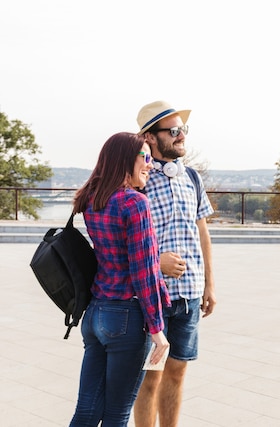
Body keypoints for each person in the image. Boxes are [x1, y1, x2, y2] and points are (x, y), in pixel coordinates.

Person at [70, 132, 170, 426]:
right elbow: (145, 270)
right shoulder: (135, 203)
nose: (151, 165)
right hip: (126, 317)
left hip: (96, 313)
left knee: (87, 410)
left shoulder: (92, 199)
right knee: (117, 413)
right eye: (146, 157)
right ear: (125, 159)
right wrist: (156, 329)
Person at [133, 101, 217, 427]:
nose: (182, 136)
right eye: (174, 130)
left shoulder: (192, 178)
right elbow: (125, 240)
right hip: (151, 295)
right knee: (150, 376)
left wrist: (209, 284)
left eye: (183, 129)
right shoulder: (138, 179)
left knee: (178, 372)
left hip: (190, 294)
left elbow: (202, 233)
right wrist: (158, 262)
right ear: (151, 138)